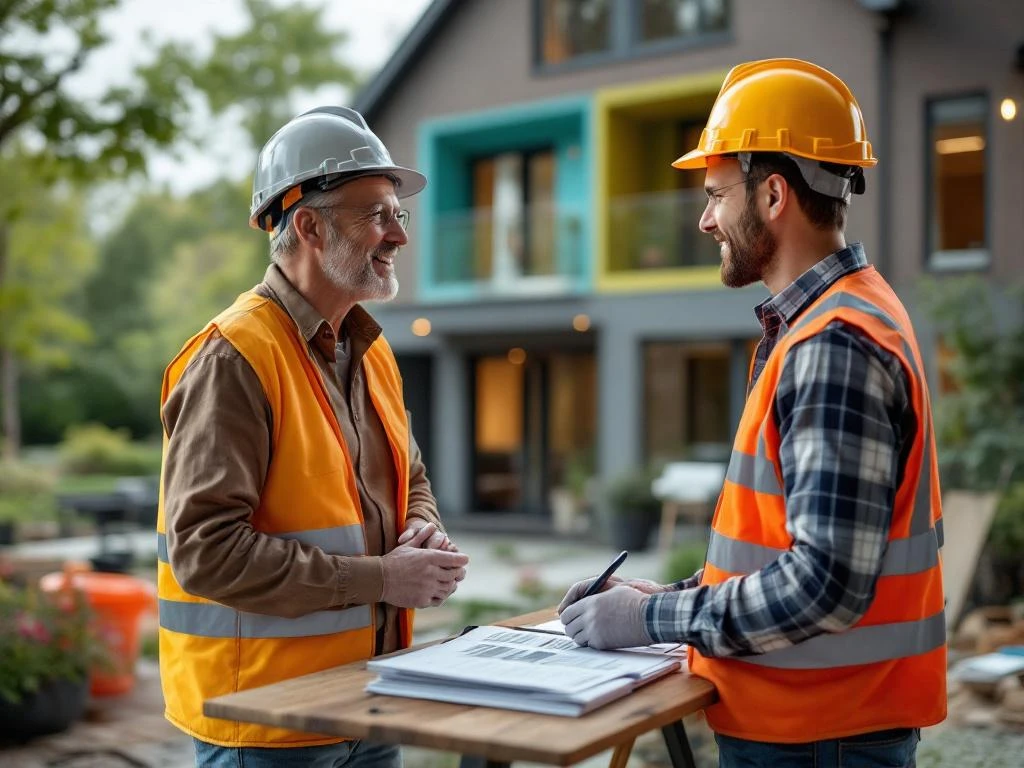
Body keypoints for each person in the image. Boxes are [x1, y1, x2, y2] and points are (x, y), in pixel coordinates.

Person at [559, 59, 945, 767]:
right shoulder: (833, 322)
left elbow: (822, 587)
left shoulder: (834, 344)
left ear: (772, 195)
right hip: (822, 729)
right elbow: (778, 553)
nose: (705, 218)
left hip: (819, 736)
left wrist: (645, 618)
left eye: (714, 194)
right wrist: (668, 593)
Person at [156, 106, 469, 767]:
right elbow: (206, 553)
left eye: (398, 214)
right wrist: (383, 578)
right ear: (308, 226)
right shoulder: (234, 356)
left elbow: (409, 477)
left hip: (372, 696)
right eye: (377, 214)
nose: (398, 236)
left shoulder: (371, 348)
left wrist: (421, 526)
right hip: (266, 721)